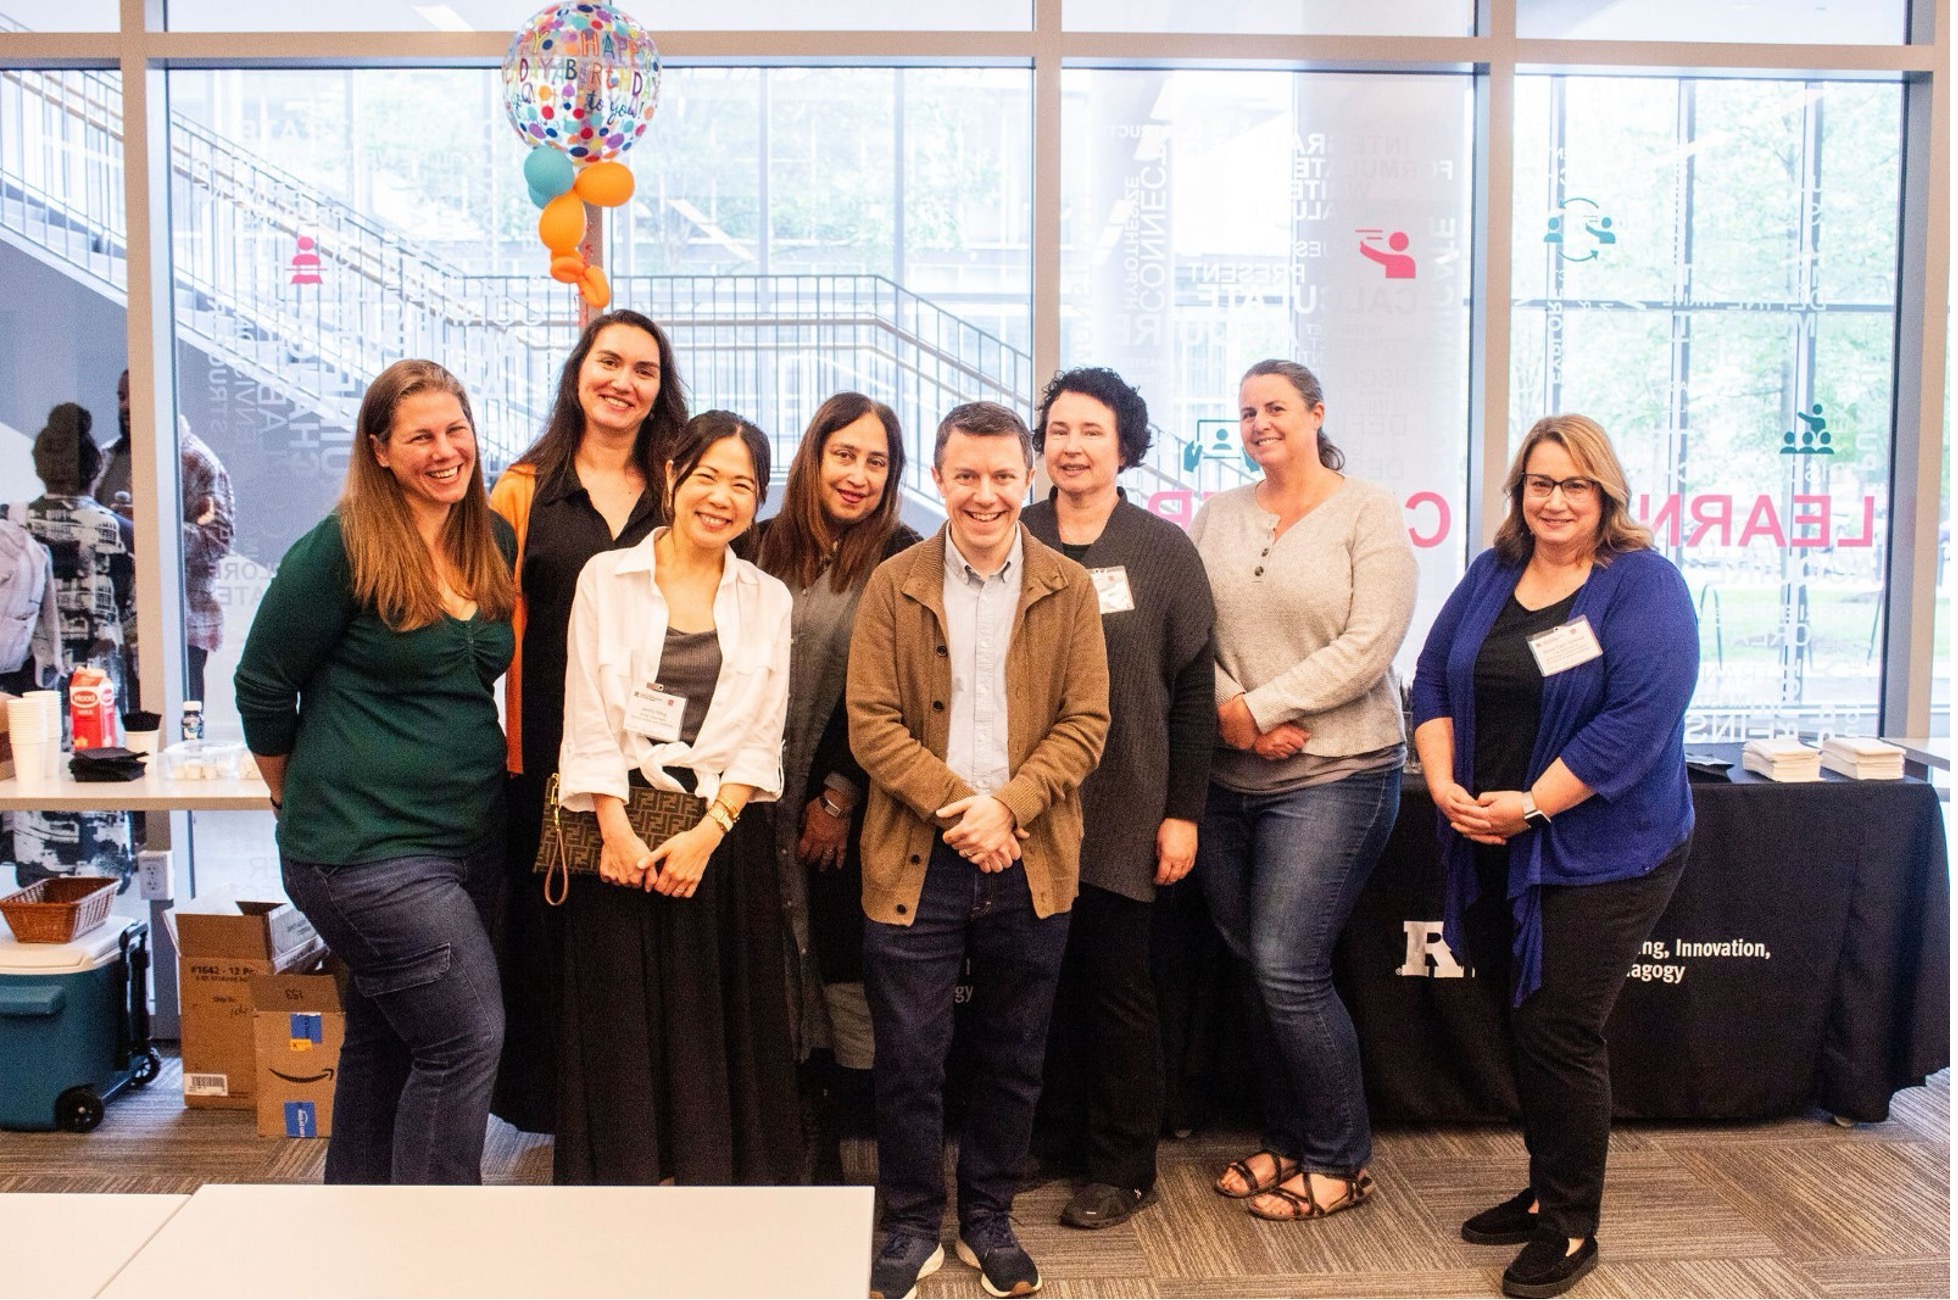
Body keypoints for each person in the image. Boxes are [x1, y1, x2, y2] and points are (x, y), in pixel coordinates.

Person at [1411, 414, 1697, 1300]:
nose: (1556, 500)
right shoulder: (1495, 571)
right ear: (1519, 493)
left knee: (1558, 1029)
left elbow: (1636, 725)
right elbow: (1428, 678)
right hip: (1488, 836)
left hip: (1603, 849)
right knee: (1521, 1017)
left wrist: (1533, 805)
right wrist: (1445, 783)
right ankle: (1545, 1192)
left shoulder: (1643, 585)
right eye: (1541, 483)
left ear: (1605, 494)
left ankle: (1573, 1225)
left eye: (1575, 484)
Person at [849, 401, 1110, 1300]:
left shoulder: (1068, 588)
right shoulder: (895, 582)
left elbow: (1086, 725)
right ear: (938, 474)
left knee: (1013, 1052)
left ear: (1029, 478)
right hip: (916, 859)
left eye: (1004, 475)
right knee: (910, 1055)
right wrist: (971, 811)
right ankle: (914, 1222)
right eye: (967, 475)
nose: (986, 493)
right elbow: (872, 725)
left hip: (1031, 856)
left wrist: (1010, 811)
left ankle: (989, 1217)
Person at [234, 359, 517, 1184]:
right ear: (380, 451)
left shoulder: (488, 536)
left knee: (389, 1036)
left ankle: (357, 1230)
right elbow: (262, 681)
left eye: (455, 430)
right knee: (467, 1035)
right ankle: (435, 1255)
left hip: (466, 838)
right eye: (420, 436)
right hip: (363, 849)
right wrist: (290, 794)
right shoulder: (342, 547)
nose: (444, 450)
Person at [1188, 359, 1416, 1224]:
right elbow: (1187, 632)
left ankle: (1340, 1157)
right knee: (1254, 969)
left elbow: (1372, 642)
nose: (1258, 424)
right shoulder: (1215, 515)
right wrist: (1228, 715)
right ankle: (1288, 1140)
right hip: (1225, 778)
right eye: (1245, 411)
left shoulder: (1369, 512)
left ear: (1317, 413)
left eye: (1275, 407)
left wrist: (1262, 706)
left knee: (1287, 966)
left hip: (1337, 774)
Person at [551, 410, 800, 1186]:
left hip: (722, 840)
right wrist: (616, 831)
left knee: (714, 1026)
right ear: (672, 477)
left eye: (743, 485)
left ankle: (710, 1187)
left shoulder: (767, 597)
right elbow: (585, 708)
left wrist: (706, 834)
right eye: (707, 477)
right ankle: (627, 1190)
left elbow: (765, 732)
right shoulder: (607, 577)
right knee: (623, 1028)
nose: (721, 497)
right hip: (618, 826)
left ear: (758, 502)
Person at [1020, 367, 1215, 1230]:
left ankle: (1123, 1163)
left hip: (1127, 803)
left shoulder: (1161, 549)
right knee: (1036, 984)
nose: (1072, 445)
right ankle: (1053, 1138)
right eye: (1058, 430)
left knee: (1116, 990)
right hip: (1026, 804)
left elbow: (1194, 692)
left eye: (1091, 431)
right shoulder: (1014, 533)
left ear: (1125, 446)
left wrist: (1184, 811)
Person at [487, 309, 688, 1136]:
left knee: (649, 937)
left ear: (659, 391)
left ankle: (647, 1115)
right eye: (610, 362)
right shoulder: (523, 489)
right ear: (579, 372)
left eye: (644, 370)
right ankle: (570, 1116)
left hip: (662, 756)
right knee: (560, 938)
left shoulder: (681, 489)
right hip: (547, 757)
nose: (623, 381)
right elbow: (487, 624)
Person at [750, 393, 921, 1181]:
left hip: (848, 808)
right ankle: (798, 1141)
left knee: (844, 968)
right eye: (843, 455)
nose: (857, 475)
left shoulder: (904, 556)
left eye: (876, 461)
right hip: (748, 805)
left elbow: (901, 691)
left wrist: (838, 797)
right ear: (813, 456)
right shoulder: (754, 549)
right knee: (773, 966)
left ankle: (862, 1153)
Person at [1, 403, 137, 890]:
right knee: (95, 788)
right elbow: (137, 625)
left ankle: (38, 886)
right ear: (95, 469)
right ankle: (98, 893)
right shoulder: (122, 534)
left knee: (31, 789)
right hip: (96, 691)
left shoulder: (7, 524)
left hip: (23, 689)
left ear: (40, 465)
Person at [107, 371, 237, 704]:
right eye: (121, 396)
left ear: (160, 398)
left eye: (134, 396)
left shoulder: (196, 461)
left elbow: (219, 538)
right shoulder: (107, 457)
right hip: (112, 627)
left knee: (178, 735)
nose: (126, 406)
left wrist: (151, 528)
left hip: (177, 626)